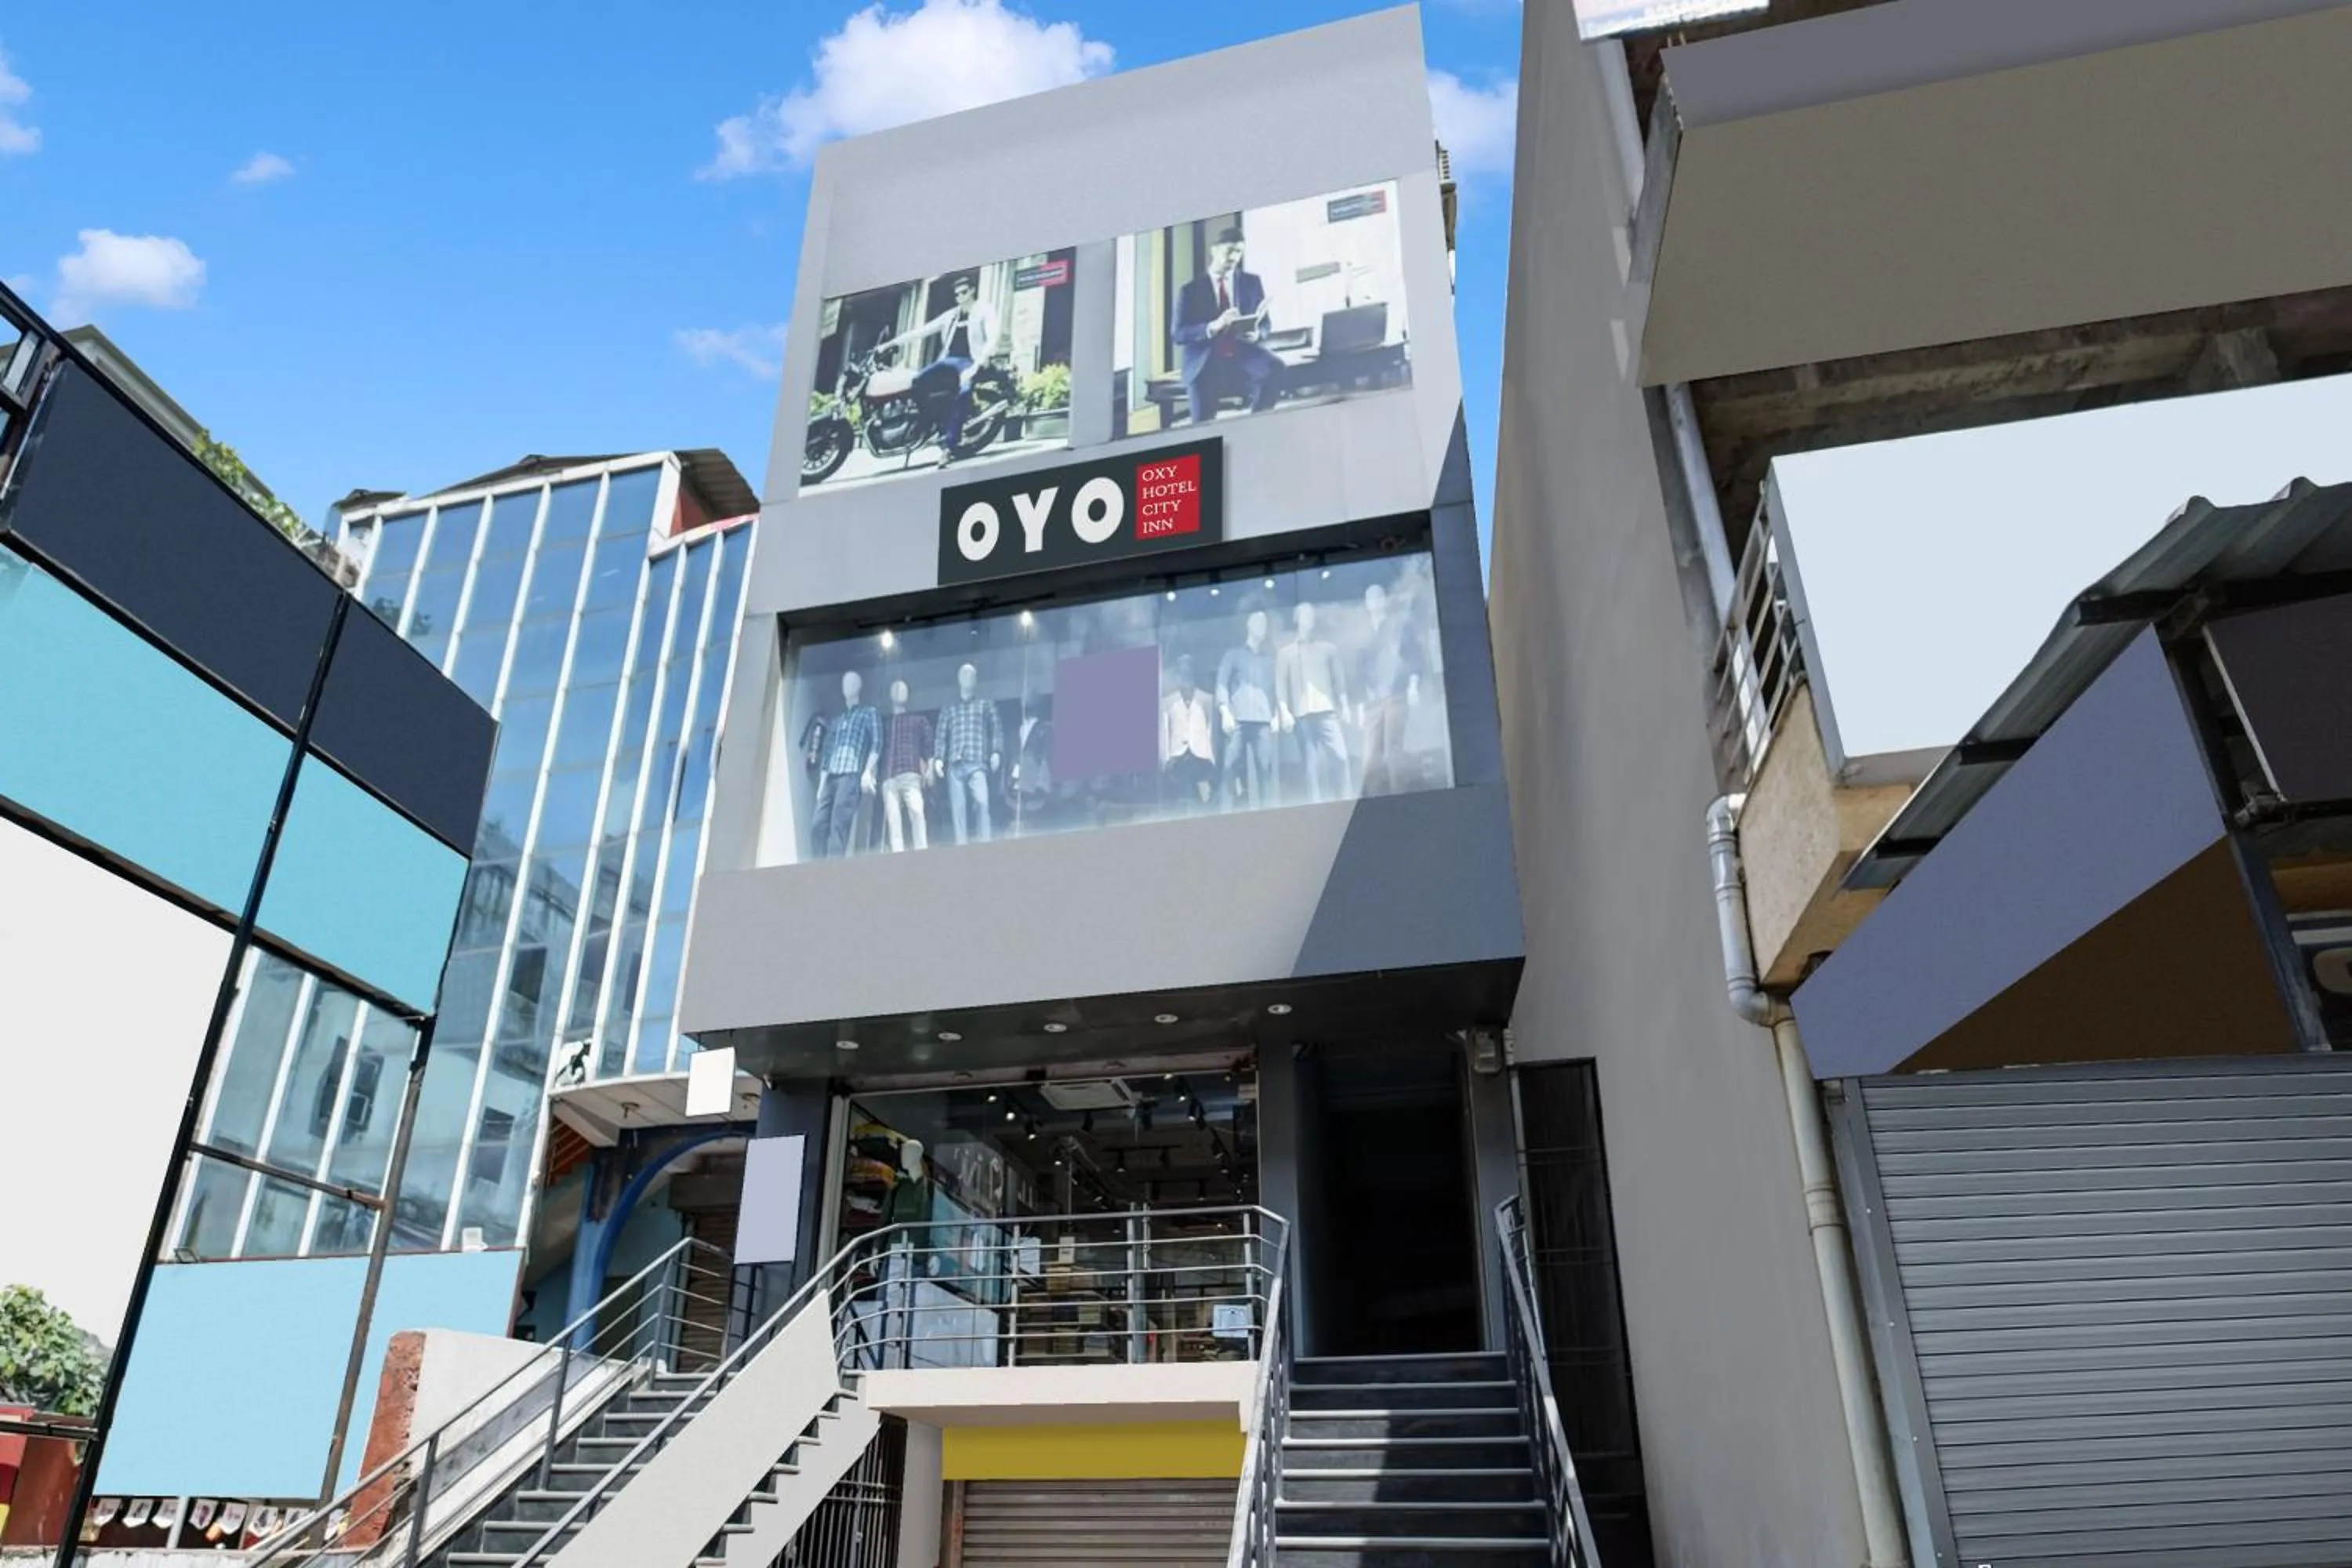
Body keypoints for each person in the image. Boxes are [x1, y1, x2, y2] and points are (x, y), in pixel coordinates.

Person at [879, 272, 999, 463]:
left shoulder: (984, 310)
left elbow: (992, 337)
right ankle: (930, 421)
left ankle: (949, 447)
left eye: (964, 292)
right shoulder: (951, 316)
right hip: (948, 361)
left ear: (973, 291)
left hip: (970, 361)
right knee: (916, 381)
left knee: (963, 393)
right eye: (957, 294)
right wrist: (891, 344)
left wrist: (978, 363)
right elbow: (921, 331)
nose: (961, 297)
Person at [1171, 226, 1282, 424]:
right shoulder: (1190, 291)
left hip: (1243, 353)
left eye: (1239, 252)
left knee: (1276, 368)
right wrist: (1212, 326)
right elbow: (1178, 334)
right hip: (1205, 360)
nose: (1234, 257)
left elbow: (1266, 324)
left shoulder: (1252, 282)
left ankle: (1256, 424)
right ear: (1214, 250)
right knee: (1202, 427)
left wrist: (1257, 334)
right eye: (1229, 250)